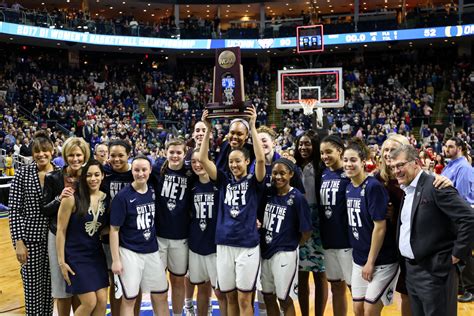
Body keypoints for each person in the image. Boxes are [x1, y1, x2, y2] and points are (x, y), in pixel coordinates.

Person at [391, 144, 474, 316]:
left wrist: (457, 253)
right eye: (393, 167)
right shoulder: (407, 189)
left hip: (435, 272)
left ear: (416, 163)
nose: (396, 171)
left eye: (400, 165)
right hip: (412, 272)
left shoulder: (436, 185)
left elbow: (469, 217)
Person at [199, 106, 265, 316]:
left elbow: (262, 159)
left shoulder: (255, 181)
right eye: (231, 162)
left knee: (245, 299)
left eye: (239, 161)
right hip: (224, 243)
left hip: (247, 244)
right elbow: (203, 160)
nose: (234, 164)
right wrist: (207, 129)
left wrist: (253, 126)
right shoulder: (224, 181)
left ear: (247, 161)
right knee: (229, 297)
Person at [343, 138, 399, 316]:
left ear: (362, 161)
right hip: (359, 258)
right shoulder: (349, 187)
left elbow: (380, 227)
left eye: (353, 160)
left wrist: (370, 262)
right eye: (345, 160)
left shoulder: (373, 187)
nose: (348, 164)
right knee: (358, 310)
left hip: (381, 260)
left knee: (370, 311)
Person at [110, 155, 169, 316]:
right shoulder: (122, 197)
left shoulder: (152, 190)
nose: (140, 173)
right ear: (132, 171)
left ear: (150, 170)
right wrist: (116, 260)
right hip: (130, 252)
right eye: (136, 170)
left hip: (151, 250)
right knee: (129, 299)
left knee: (161, 294)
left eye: (144, 170)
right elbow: (114, 230)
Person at [9, 131, 57, 315]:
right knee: (32, 290)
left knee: (51, 289)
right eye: (37, 151)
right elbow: (14, 210)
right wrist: (18, 242)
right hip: (29, 241)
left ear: (52, 151)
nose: (41, 154)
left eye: (45, 150)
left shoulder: (60, 174)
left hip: (54, 239)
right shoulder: (22, 173)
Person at [41, 137, 91, 316]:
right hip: (57, 235)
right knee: (62, 288)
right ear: (65, 156)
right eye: (71, 155)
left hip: (81, 238)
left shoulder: (89, 177)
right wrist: (59, 198)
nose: (75, 159)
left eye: (78, 155)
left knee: (79, 286)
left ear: (84, 155)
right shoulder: (53, 177)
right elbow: (45, 209)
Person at [56, 160, 109, 315]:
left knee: (101, 301)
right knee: (89, 302)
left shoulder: (106, 199)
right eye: (89, 175)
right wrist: (61, 262)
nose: (93, 179)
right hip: (75, 255)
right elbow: (61, 230)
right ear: (83, 177)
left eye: (97, 175)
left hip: (96, 254)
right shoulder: (71, 198)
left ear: (103, 176)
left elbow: (105, 227)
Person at [260, 158, 312, 316]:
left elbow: (306, 231)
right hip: (265, 251)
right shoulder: (268, 194)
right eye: (275, 173)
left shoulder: (297, 198)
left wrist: (293, 246)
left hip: (285, 253)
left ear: (290, 174)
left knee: (285, 299)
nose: (278, 177)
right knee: (268, 297)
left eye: (282, 173)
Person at [152, 138, 194, 316]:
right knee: (158, 283)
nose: (175, 155)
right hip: (159, 236)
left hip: (181, 236)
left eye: (179, 152)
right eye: (172, 152)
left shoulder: (190, 174)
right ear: (165, 152)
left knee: (178, 281)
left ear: (185, 154)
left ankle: (177, 314)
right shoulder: (155, 172)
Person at [101, 140, 141, 316]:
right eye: (113, 155)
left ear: (128, 155)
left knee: (135, 283)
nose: (116, 159)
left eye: (121, 155)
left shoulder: (136, 174)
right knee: (114, 282)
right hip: (110, 237)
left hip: (133, 237)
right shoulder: (105, 175)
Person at [188, 149, 227, 315]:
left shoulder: (219, 182)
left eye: (201, 160)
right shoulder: (191, 184)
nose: (198, 165)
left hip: (216, 245)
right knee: (202, 289)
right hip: (196, 243)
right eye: (194, 162)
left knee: (220, 292)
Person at [294, 131, 328, 316]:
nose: (303, 147)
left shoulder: (322, 167)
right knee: (301, 274)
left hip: (318, 223)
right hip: (299, 222)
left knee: (320, 273)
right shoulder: (294, 167)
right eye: (300, 144)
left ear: (314, 146)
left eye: (307, 144)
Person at [318, 135, 352, 316]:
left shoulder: (349, 174)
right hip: (329, 240)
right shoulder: (323, 173)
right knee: (336, 287)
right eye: (322, 153)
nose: (325, 156)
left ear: (340, 151)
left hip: (347, 242)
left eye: (328, 152)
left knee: (355, 289)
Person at [442, 136, 474, 303]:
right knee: (457, 252)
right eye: (446, 146)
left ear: (459, 148)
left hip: (460, 216)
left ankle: (471, 288)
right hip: (451, 216)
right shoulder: (450, 165)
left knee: (464, 253)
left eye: (450, 146)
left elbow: (459, 197)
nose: (446, 149)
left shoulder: (463, 167)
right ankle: (462, 286)